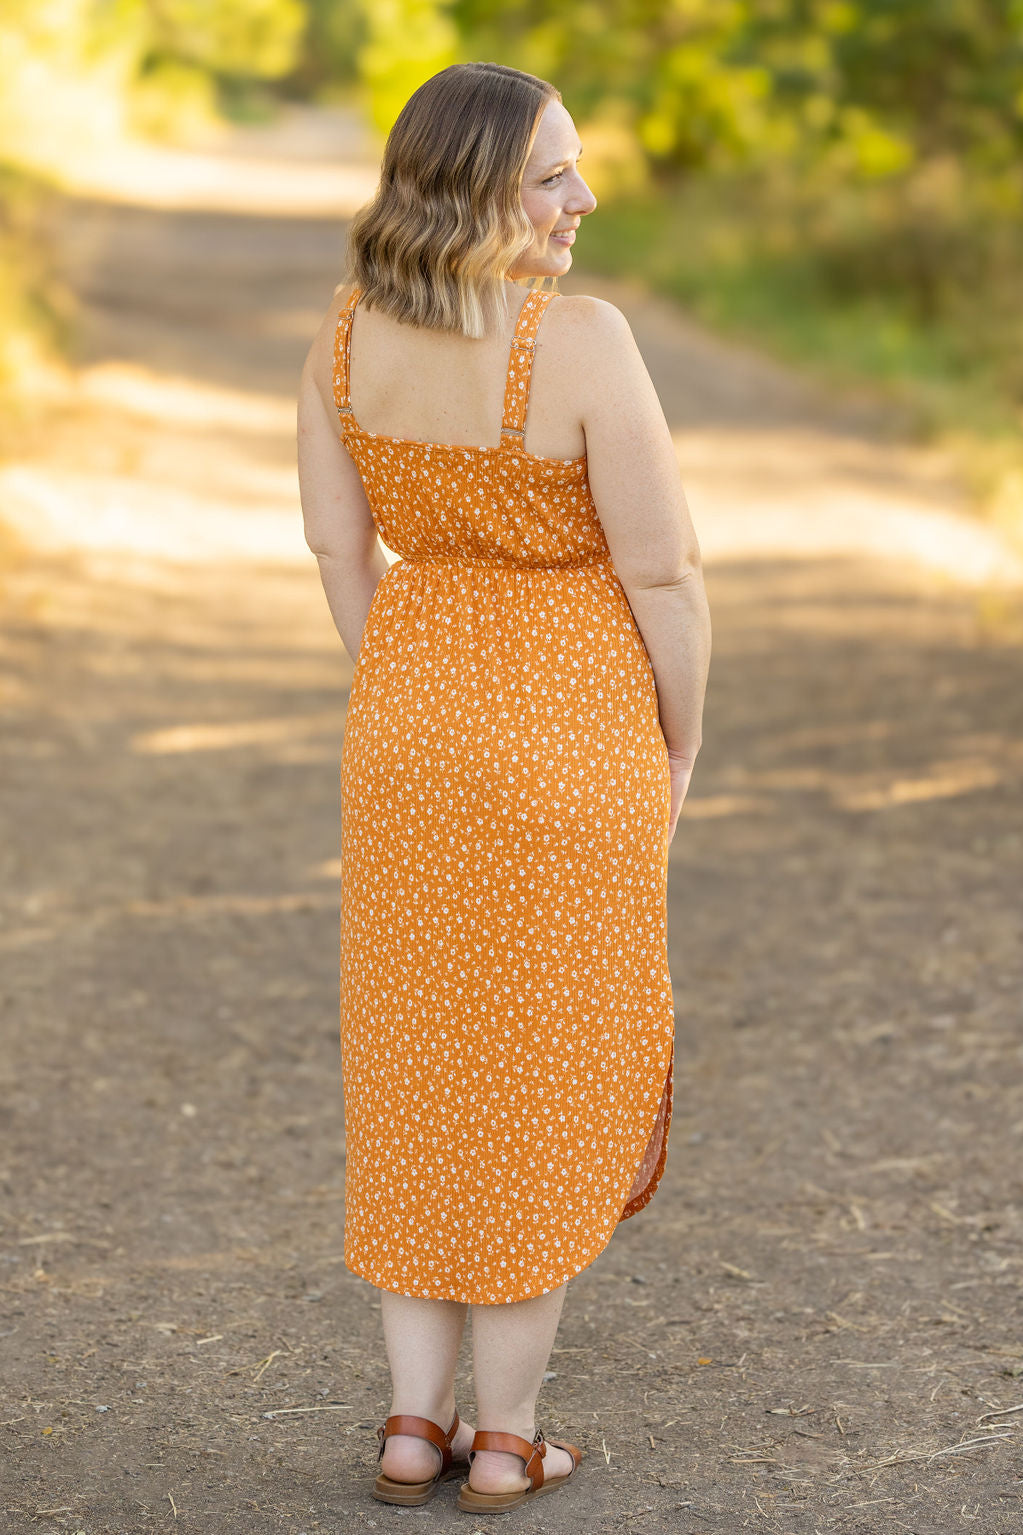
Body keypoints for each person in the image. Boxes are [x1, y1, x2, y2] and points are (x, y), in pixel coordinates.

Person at [297, 61, 711, 1514]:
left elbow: (338, 548)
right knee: (542, 1075)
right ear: (473, 188)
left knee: (416, 1068)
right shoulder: (579, 342)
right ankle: (511, 1438)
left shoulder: (343, 337)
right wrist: (680, 738)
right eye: (551, 175)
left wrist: (412, 689)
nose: (582, 197)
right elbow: (663, 570)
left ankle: (414, 1427)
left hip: (405, 734)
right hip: (573, 732)